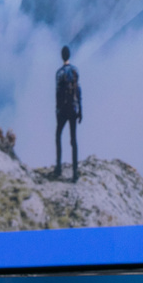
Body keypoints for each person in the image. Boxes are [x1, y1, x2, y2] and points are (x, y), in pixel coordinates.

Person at [54, 45, 83, 182]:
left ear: (62, 56)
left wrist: (57, 111)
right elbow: (78, 91)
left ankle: (59, 167)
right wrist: (80, 110)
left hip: (63, 110)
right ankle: (75, 172)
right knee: (73, 140)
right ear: (69, 55)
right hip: (73, 108)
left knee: (58, 135)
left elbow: (58, 94)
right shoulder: (75, 70)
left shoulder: (59, 73)